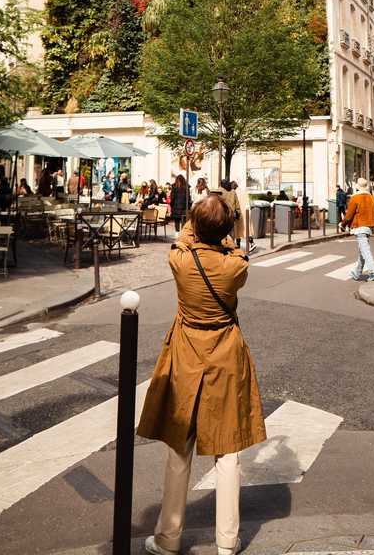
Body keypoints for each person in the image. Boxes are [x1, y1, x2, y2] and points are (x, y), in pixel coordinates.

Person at [137, 194, 266, 555]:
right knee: (227, 451)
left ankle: (168, 537)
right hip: (225, 352)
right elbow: (234, 248)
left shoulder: (179, 259)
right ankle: (227, 543)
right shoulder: (235, 267)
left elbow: (184, 236)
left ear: (194, 224)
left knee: (180, 448)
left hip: (186, 352)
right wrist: (226, 227)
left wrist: (199, 218)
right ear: (227, 229)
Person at [340, 177, 374, 281]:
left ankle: (373, 271)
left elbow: (349, 215)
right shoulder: (373, 198)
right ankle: (357, 272)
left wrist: (343, 224)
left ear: (357, 187)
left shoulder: (355, 198)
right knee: (362, 251)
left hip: (359, 227)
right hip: (369, 227)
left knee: (365, 251)